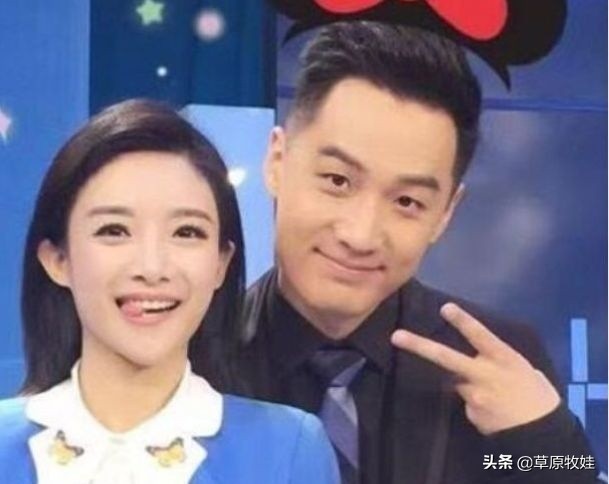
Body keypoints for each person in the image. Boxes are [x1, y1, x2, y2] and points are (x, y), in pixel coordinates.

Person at [237, 22, 598, 484]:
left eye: (407, 202)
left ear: (446, 212)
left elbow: (566, 471)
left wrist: (546, 440)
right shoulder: (194, 354)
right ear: (277, 162)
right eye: (337, 180)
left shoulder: (497, 361)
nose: (361, 235)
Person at [0, 99, 339, 484]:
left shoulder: (287, 450)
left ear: (221, 263)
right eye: (114, 230)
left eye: (186, 232)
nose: (152, 268)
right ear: (57, 259)